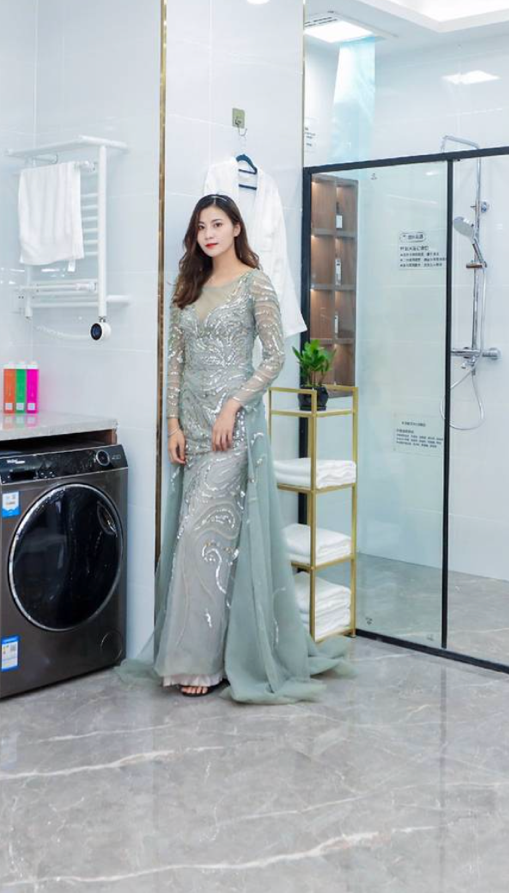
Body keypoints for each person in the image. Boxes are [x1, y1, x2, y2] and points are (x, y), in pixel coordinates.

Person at [127, 193, 350, 701]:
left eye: (217, 224)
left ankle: (202, 663)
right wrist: (172, 425)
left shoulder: (256, 283)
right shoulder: (187, 286)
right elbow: (175, 362)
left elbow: (274, 358)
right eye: (201, 227)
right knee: (203, 543)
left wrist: (233, 405)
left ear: (235, 229)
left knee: (199, 536)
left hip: (232, 432)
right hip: (192, 430)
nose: (208, 234)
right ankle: (209, 654)